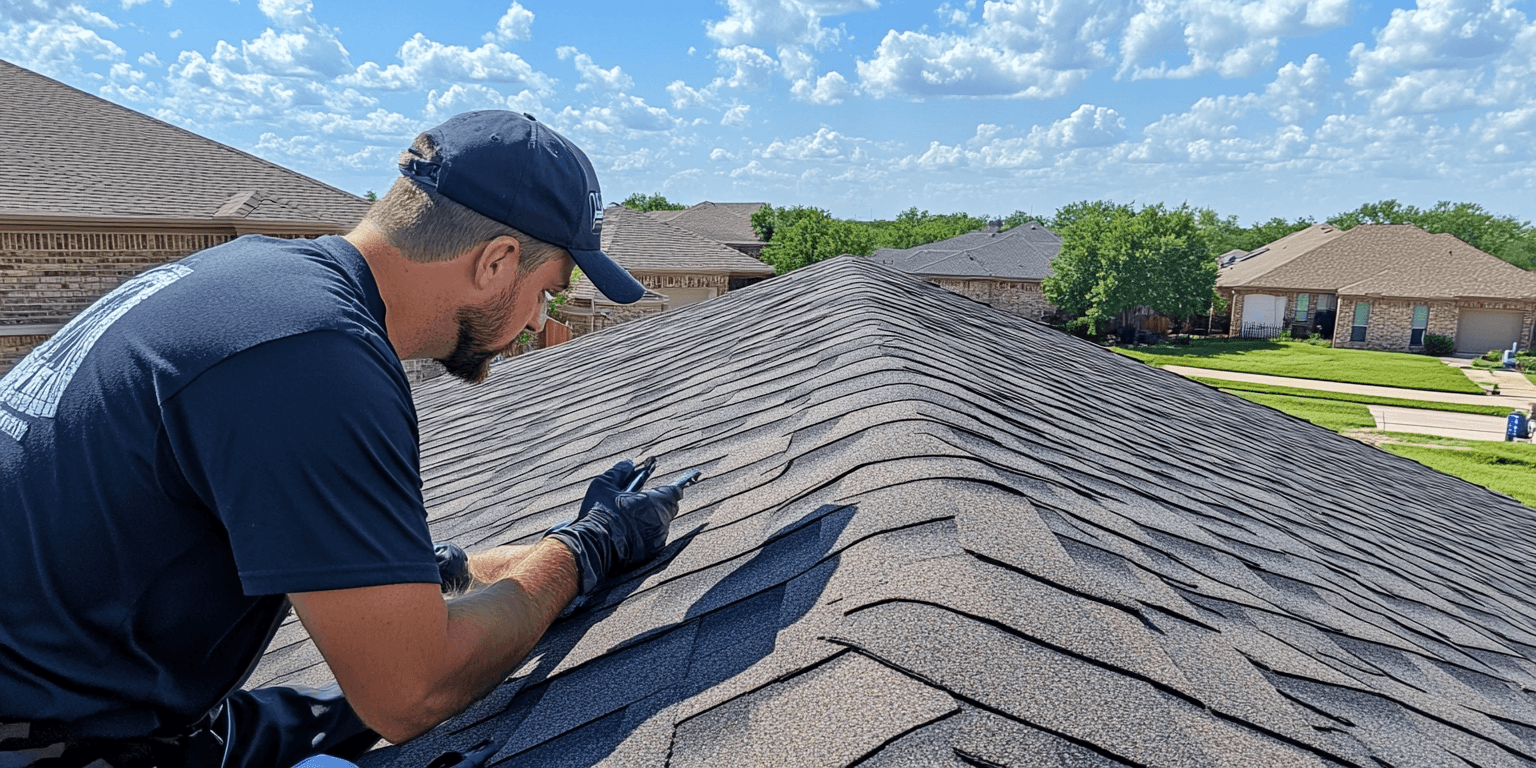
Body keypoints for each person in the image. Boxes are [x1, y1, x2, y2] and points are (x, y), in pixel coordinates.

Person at [0, 111, 685, 768]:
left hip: (85, 706)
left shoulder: (259, 284)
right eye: (549, 292)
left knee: (336, 715)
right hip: (51, 742)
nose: (541, 320)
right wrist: (581, 551)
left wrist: (524, 557)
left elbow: (377, 586)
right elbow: (412, 690)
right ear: (498, 261)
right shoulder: (312, 358)